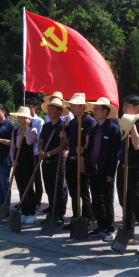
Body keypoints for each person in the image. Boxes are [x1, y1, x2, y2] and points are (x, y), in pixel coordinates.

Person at [116, 95, 139, 250]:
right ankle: (128, 234)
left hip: (137, 170)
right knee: (125, 204)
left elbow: (138, 146)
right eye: (123, 105)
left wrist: (132, 126)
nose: (123, 108)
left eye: (127, 105)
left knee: (138, 206)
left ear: (137, 108)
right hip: (123, 167)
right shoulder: (122, 124)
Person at [82, 97, 121, 242]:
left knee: (107, 200)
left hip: (105, 171)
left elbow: (115, 153)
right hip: (93, 169)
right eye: (94, 108)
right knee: (96, 200)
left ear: (106, 111)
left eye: (97, 109)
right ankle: (101, 226)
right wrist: (84, 154)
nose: (94, 111)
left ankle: (110, 229)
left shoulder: (113, 129)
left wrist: (111, 172)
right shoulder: (95, 128)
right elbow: (91, 148)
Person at [60, 93, 96, 230]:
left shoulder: (89, 121)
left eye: (75, 106)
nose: (73, 108)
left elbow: (86, 145)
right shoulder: (72, 122)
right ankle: (75, 218)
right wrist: (64, 137)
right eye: (71, 106)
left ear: (83, 106)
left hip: (83, 160)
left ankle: (85, 219)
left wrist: (82, 161)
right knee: (74, 192)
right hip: (71, 159)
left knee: (84, 192)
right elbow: (69, 142)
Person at [38, 98, 69, 227]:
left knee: (59, 190)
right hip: (46, 162)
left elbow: (63, 146)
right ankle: (51, 213)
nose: (49, 112)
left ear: (59, 112)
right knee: (50, 190)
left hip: (58, 162)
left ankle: (60, 215)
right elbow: (41, 141)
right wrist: (40, 152)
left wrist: (48, 153)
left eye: (52, 110)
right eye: (48, 110)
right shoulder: (46, 126)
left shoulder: (63, 126)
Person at [9, 106, 39, 223]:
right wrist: (12, 159)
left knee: (28, 188)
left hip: (29, 162)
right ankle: (25, 211)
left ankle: (32, 213)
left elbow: (29, 141)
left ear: (28, 119)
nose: (20, 119)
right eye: (19, 117)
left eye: (23, 117)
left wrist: (26, 128)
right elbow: (12, 148)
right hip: (18, 161)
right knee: (21, 187)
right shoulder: (15, 132)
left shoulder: (32, 130)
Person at [25, 97, 44, 210]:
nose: (28, 109)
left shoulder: (39, 121)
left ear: (35, 108)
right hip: (25, 153)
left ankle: (37, 200)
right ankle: (27, 198)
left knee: (36, 177)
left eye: (30, 107)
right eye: (26, 107)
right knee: (26, 177)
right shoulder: (24, 119)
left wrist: (30, 131)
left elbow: (39, 138)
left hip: (35, 152)